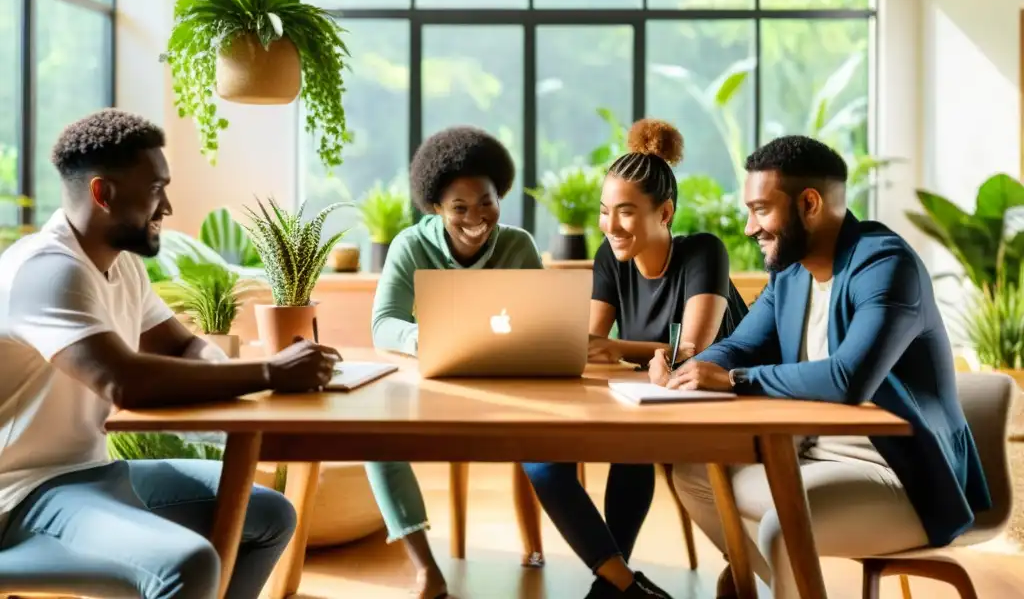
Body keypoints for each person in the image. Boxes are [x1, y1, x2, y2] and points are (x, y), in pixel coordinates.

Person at [0, 109, 340, 599]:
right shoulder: (47, 271)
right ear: (103, 194)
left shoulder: (122, 268)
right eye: (156, 189)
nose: (168, 207)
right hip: (21, 497)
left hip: (91, 473)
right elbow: (125, 381)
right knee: (189, 564)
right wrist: (268, 371)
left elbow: (180, 345)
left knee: (267, 516)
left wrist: (234, 374)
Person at [662, 136, 990, 599]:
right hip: (812, 457)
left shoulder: (884, 265)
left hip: (899, 477)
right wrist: (689, 369)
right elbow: (739, 346)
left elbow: (847, 379)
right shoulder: (791, 273)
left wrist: (735, 380)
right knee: (693, 475)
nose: (749, 226)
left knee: (781, 530)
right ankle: (778, 588)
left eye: (760, 209)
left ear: (810, 203)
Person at [523, 119, 749, 599]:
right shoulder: (611, 256)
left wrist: (620, 351)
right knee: (539, 458)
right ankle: (620, 584)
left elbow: (694, 351)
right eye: (605, 212)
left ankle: (612, 590)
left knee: (632, 447)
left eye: (625, 213)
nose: (611, 226)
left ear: (664, 212)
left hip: (724, 399)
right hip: (653, 395)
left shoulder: (704, 253)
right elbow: (591, 344)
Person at [368, 125, 544, 599]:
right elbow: (383, 324)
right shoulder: (410, 246)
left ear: (500, 194)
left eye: (486, 202)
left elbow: (542, 322)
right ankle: (425, 566)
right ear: (436, 207)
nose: (476, 218)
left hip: (510, 385)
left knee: (553, 433)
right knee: (374, 440)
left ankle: (548, 547)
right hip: (436, 381)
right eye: (459, 208)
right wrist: (430, 337)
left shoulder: (519, 246)